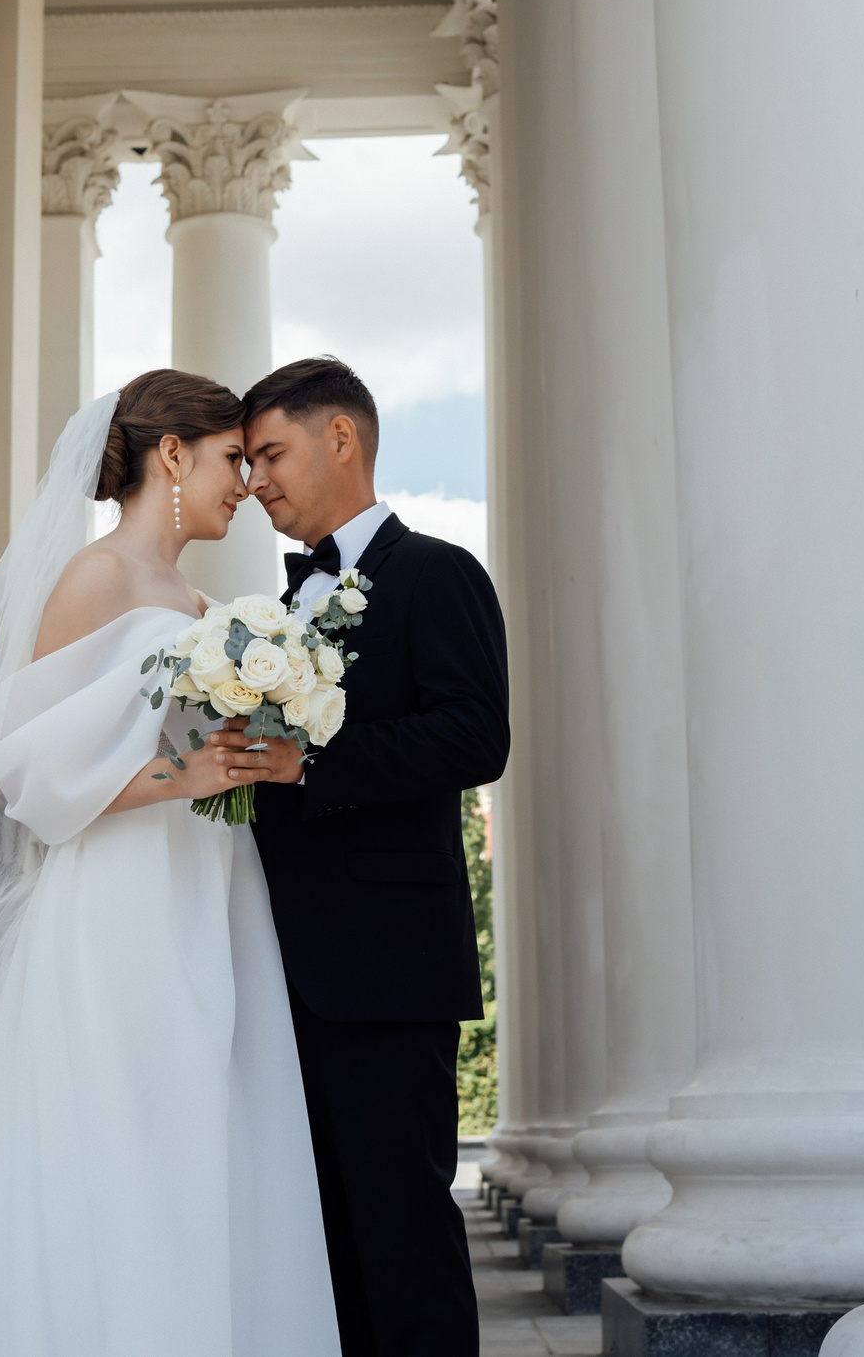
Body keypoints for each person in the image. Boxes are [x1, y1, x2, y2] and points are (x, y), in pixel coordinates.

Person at [0, 370, 340, 1357]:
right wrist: (176, 774)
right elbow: (23, 767)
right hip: (117, 902)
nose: (245, 484)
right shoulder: (94, 578)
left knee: (207, 1133)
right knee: (126, 1135)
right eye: (232, 458)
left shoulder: (200, 599)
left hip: (209, 887)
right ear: (171, 454)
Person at [235, 356, 512, 1357]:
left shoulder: (437, 573)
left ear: (339, 436)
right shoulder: (267, 612)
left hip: (387, 969)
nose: (257, 477)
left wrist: (308, 757)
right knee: (316, 1246)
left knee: (402, 1238)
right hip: (275, 970)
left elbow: (477, 734)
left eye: (271, 451)